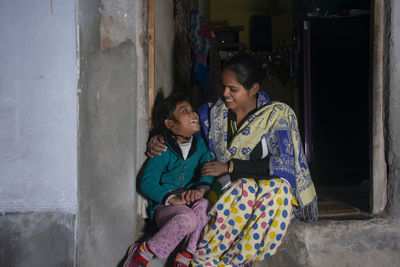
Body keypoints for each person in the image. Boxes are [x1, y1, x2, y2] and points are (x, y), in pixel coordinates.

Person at [146, 54, 318, 266]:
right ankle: (205, 258)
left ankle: (232, 261)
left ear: (253, 89)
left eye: (233, 89)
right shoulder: (209, 115)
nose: (224, 94)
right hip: (226, 187)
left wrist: (230, 166)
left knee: (279, 190)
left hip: (263, 190)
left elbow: (284, 165)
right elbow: (181, 133)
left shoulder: (275, 116)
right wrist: (158, 137)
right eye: (223, 86)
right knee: (243, 188)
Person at [124, 93, 215, 267]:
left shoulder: (201, 145)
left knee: (204, 205)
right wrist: (171, 199)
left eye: (192, 109)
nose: (193, 114)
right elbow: (147, 182)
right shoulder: (162, 148)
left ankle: (187, 253)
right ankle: (144, 251)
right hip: (166, 208)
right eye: (184, 111)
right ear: (170, 124)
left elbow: (208, 169)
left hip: (190, 203)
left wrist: (200, 191)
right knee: (188, 218)